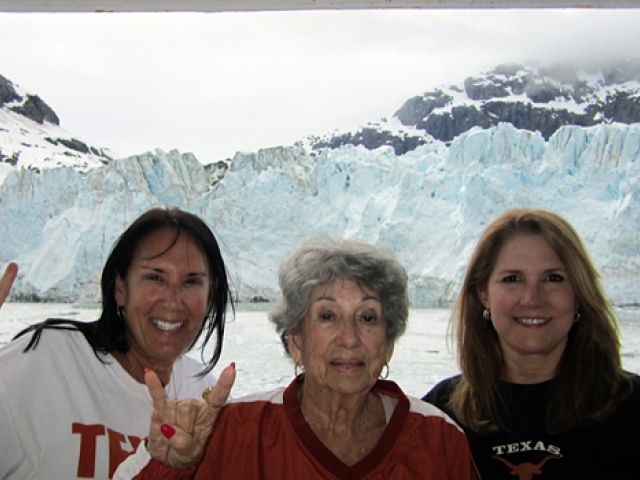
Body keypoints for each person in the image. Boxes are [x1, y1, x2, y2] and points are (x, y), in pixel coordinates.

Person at [115, 236, 479, 479]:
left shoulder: (438, 439)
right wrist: (172, 465)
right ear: (295, 342)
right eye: (326, 316)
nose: (349, 338)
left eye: (368, 318)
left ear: (388, 343)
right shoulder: (234, 433)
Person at [0, 207, 234, 479]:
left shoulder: (205, 394)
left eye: (192, 281)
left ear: (210, 295)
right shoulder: (46, 360)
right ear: (120, 288)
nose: (173, 300)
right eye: (155, 278)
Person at [423, 208, 640, 479]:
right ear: (483, 294)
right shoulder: (439, 415)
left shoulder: (632, 408)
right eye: (512, 279)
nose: (532, 299)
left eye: (553, 278)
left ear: (579, 295)